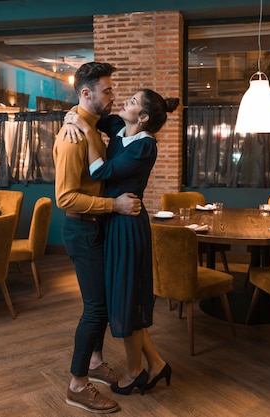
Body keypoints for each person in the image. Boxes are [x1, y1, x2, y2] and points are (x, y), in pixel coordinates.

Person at [63, 89, 178, 396]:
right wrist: (72, 117)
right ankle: (154, 364)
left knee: (127, 300)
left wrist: (85, 129)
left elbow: (99, 170)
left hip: (127, 226)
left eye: (133, 102)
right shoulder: (120, 129)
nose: (125, 101)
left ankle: (135, 370)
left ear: (143, 118)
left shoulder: (144, 147)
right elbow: (95, 113)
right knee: (122, 298)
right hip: (114, 221)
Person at [53, 62, 141, 414]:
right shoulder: (72, 137)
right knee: (96, 309)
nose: (113, 95)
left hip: (96, 226)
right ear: (86, 93)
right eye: (107, 90)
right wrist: (114, 205)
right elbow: (64, 197)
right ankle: (77, 384)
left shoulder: (88, 124)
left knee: (101, 303)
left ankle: (94, 362)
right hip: (83, 228)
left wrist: (72, 114)